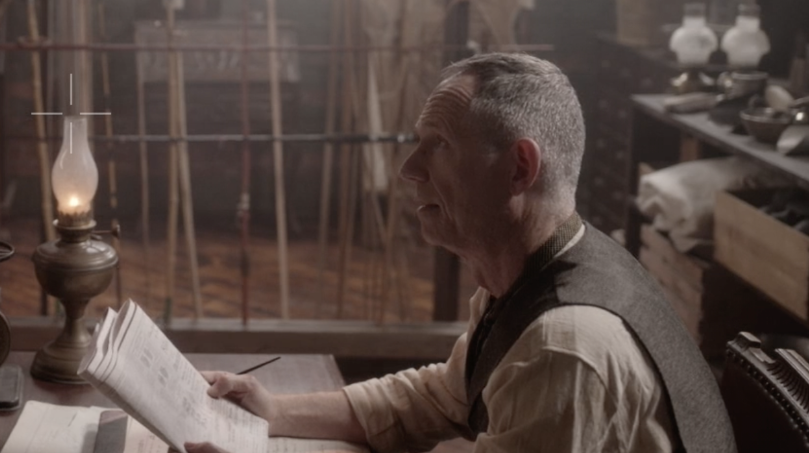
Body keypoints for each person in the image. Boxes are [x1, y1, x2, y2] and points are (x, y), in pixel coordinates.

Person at [187, 53, 734, 453]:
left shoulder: (563, 345)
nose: (410, 170)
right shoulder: (535, 271)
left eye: (440, 146)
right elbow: (444, 397)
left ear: (519, 168)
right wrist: (274, 410)